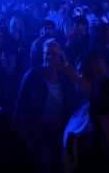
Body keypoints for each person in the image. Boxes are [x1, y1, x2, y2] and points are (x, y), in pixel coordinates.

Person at [15, 39, 79, 173]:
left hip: (57, 127)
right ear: (43, 55)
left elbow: (72, 104)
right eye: (47, 53)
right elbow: (20, 103)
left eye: (54, 54)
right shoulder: (33, 75)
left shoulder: (65, 78)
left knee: (57, 161)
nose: (50, 57)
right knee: (43, 162)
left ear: (60, 56)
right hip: (35, 127)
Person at [63, 53, 109, 173]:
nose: (78, 78)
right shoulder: (82, 110)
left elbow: (99, 93)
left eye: (81, 73)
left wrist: (76, 77)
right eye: (78, 72)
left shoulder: (104, 108)